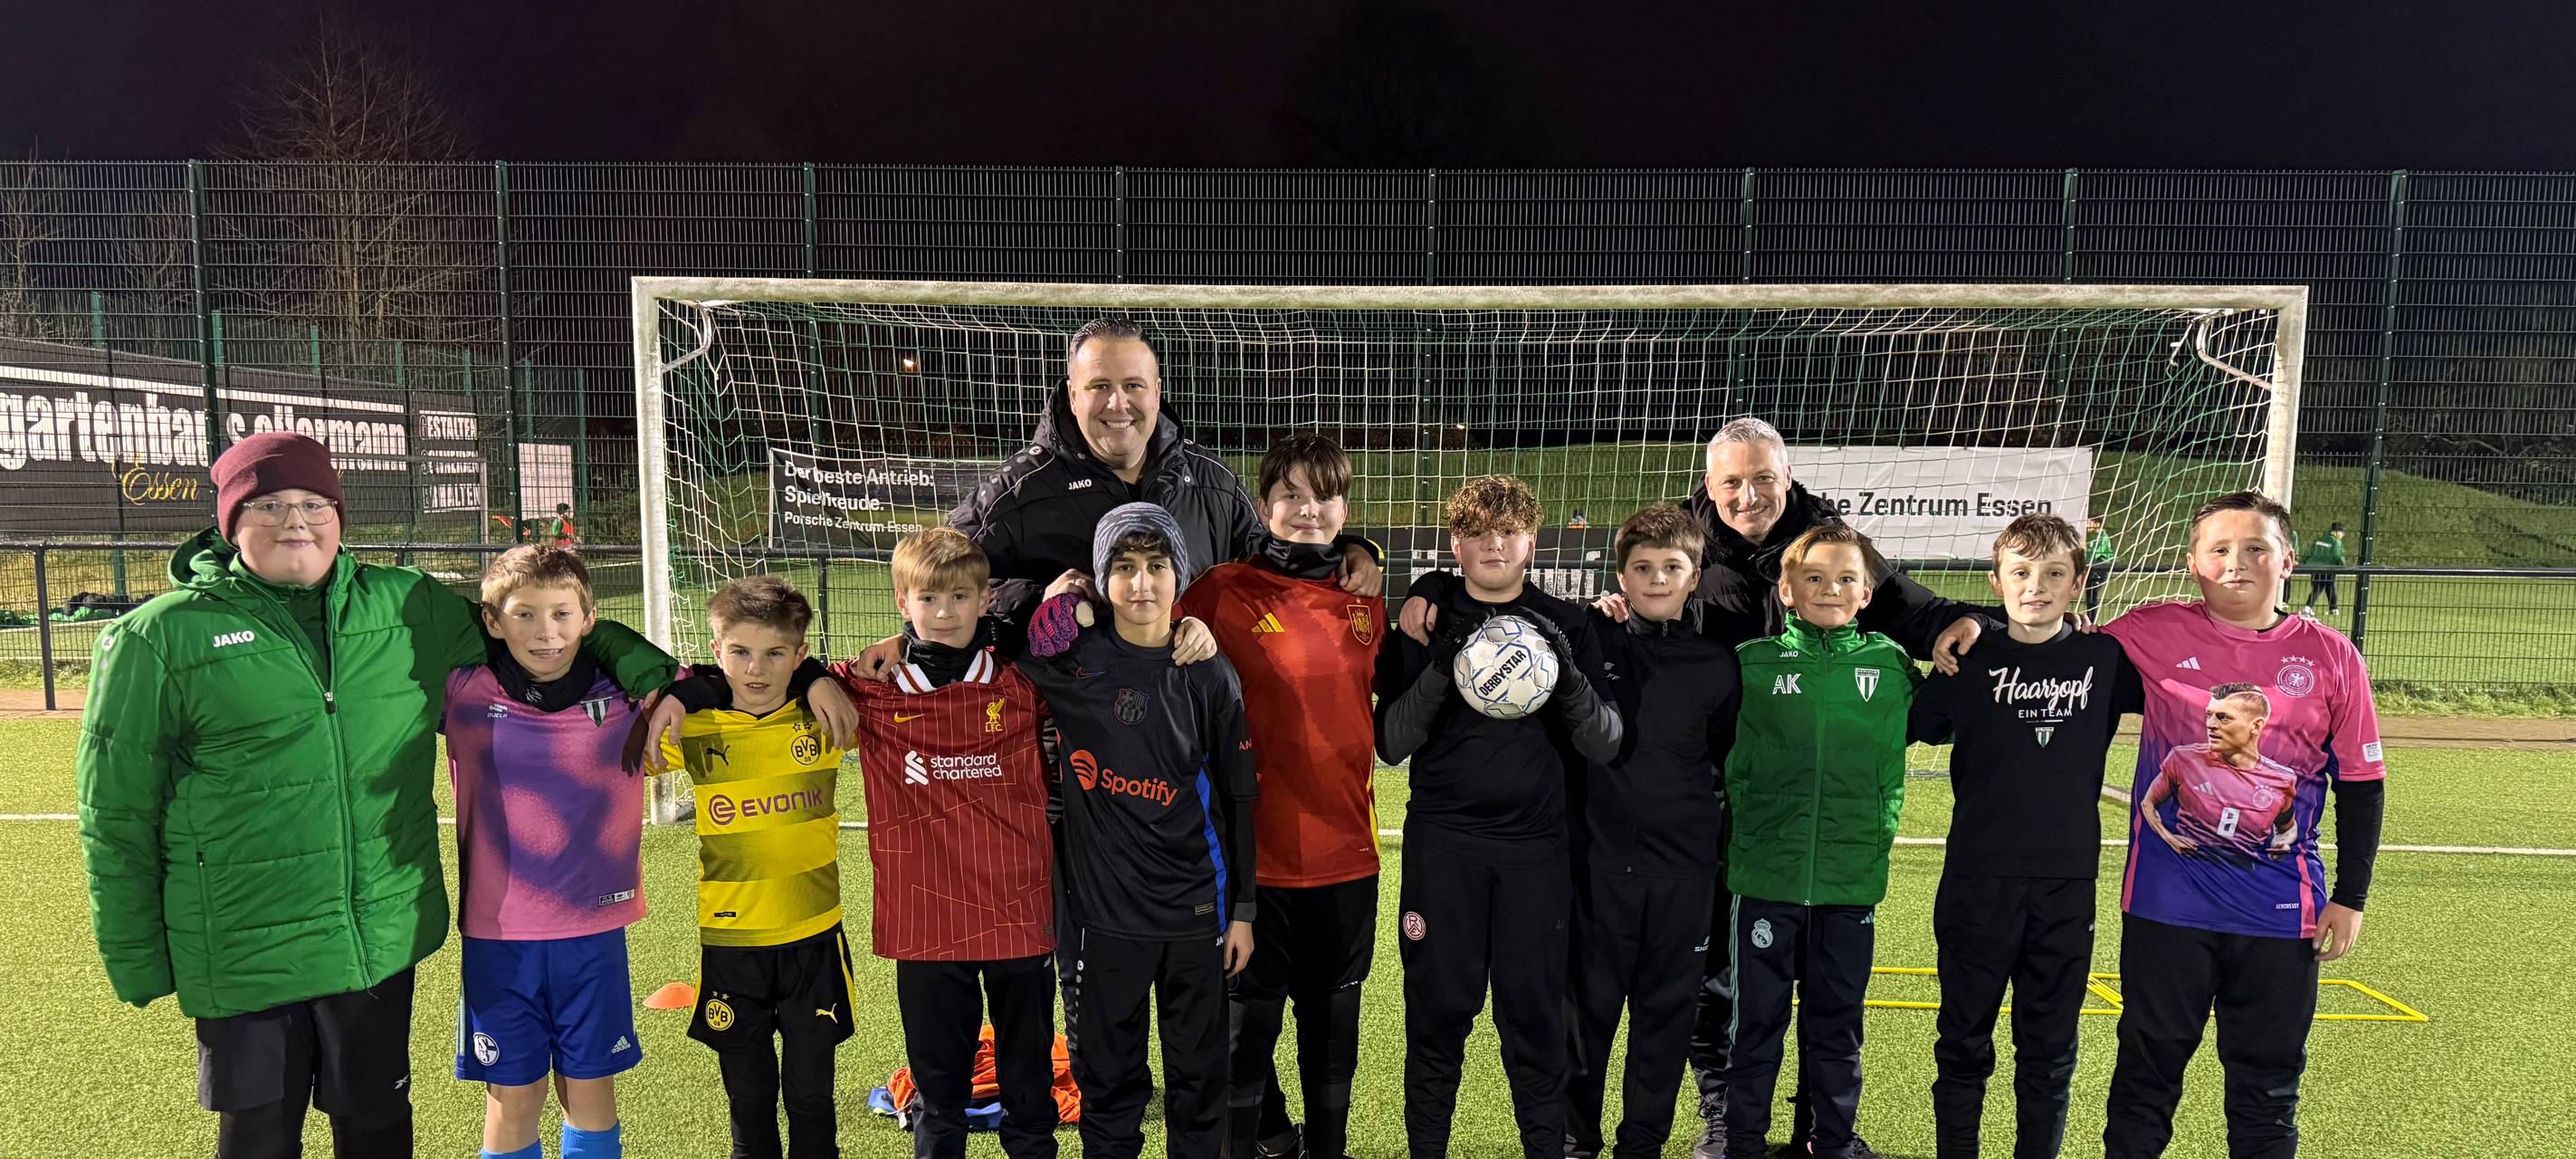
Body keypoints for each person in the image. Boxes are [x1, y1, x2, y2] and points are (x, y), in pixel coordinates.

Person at [75, 431, 675, 1159]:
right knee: (260, 1132)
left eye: (313, 502)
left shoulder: (407, 606)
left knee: (378, 1128)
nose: (295, 519)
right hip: (240, 946)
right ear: (231, 521)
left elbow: (544, 627)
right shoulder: (158, 637)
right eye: (269, 504)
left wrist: (654, 675)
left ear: (338, 513)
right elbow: (116, 815)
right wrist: (138, 954)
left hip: (377, 936)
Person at [1396, 417, 1982, 1156]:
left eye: (1763, 478)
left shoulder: (1822, 539)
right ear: (1708, 486)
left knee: (1747, 986)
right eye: (1732, 480)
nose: (1749, 494)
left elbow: (1895, 596)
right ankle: (1640, 1122)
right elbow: (1509, 602)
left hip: (1746, 811)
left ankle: (1794, 1125)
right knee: (1636, 995)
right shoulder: (1656, 566)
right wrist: (1432, 584)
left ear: (1787, 477)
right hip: (1625, 834)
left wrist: (1963, 625)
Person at [1933, 491, 2388, 1158]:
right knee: (2146, 1080)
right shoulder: (2146, 633)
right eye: (2220, 550)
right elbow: (2040, 633)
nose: (2237, 563)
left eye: (2256, 548)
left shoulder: (2333, 656)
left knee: (2266, 1091)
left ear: (2288, 560)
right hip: (2165, 907)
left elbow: (2362, 781)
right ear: (2193, 563)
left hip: (2281, 912)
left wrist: (2351, 896)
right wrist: (1963, 625)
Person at [1374, 475, 1623, 1159]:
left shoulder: (1566, 623)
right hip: (1444, 852)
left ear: (1531, 541)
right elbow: (1391, 743)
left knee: (1535, 1027)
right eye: (1478, 534)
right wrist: (1442, 668)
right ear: (1455, 543)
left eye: (1508, 533)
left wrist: (1565, 676)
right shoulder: (1425, 618)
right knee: (1436, 1023)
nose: (1494, 545)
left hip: (1535, 857)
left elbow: (1605, 741)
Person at [1016, 503, 1259, 1159]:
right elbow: (1017, 641)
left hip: (1195, 917)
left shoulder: (1207, 669)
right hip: (1106, 920)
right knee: (1111, 1085)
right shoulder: (1073, 662)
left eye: (1157, 566)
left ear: (1178, 576)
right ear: (1104, 578)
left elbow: (1239, 794)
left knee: (1198, 1083)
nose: (1142, 583)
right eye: (1123, 568)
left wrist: (1242, 910)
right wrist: (1068, 601)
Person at [1175, 435, 1386, 1159]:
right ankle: (1263, 1143)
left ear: (1345, 508)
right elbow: (1143, 636)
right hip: (1248, 862)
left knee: (1332, 1042)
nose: (1307, 510)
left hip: (1346, 858)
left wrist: (1366, 556)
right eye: (1290, 495)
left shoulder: (1368, 602)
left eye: (1324, 495)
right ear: (1263, 506)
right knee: (1242, 1038)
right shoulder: (1219, 592)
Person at [1909, 513, 2143, 1159]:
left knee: (2048, 1050)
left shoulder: (2106, 660)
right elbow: (1907, 725)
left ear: (2078, 584)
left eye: (2053, 574)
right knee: (1962, 1041)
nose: (2034, 587)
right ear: (1997, 581)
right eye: (2020, 573)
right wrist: (1969, 626)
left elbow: (2186, 684)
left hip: (2066, 886)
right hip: (1976, 881)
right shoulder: (1967, 657)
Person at [444, 544, 651, 1159]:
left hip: (593, 930)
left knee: (591, 1089)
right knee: (514, 1095)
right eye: (524, 614)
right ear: (491, 620)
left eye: (562, 613)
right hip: (499, 934)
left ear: (589, 619)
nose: (546, 632)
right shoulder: (462, 692)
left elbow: (724, 679)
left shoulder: (627, 690)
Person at [1722, 523, 1917, 1159]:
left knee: (1836, 1028)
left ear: (1866, 592)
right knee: (1757, 1028)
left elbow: (1970, 690)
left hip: (1849, 878)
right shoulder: (1751, 665)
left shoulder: (1891, 669)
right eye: (1814, 578)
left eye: (1845, 579)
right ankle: (1744, 1144)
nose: (1829, 589)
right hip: (1766, 879)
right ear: (1786, 589)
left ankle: (1833, 1143)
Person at [1562, 504, 1741, 1159]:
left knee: (1664, 1024)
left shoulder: (1719, 666)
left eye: (1673, 567)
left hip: (1685, 875)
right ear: (1621, 575)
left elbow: (1724, 760)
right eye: (1642, 567)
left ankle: (1642, 1144)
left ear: (1695, 577)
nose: (1657, 579)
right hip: (1599, 869)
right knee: (1586, 1020)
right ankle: (1575, 1143)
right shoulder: (1592, 637)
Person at [657, 576, 855, 1159]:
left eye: (775, 654)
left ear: (798, 655)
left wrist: (820, 677)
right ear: (717, 652)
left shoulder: (825, 717)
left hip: (812, 938)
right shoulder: (692, 727)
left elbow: (889, 670)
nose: (757, 669)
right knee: (748, 1098)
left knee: (812, 1096)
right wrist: (689, 690)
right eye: (739, 652)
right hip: (732, 939)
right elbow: (624, 720)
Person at [2137, 685, 2300, 862]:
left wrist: (2282, 842)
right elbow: (2148, 803)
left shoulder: (2281, 779)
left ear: (2256, 726)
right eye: (2209, 715)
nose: (2211, 725)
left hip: (2244, 877)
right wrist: (2169, 837)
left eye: (2223, 718)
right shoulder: (2184, 760)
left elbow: (2287, 828)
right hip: (2189, 872)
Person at [2297, 522, 2347, 616]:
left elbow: (2310, 552)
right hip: (2328, 568)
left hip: (2314, 567)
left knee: (2329, 586)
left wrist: (2302, 562)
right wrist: (2343, 565)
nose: (2342, 536)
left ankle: (2334, 608)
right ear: (2338, 532)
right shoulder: (2336, 542)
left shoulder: (2319, 539)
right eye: (2342, 533)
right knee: (2319, 587)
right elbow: (2337, 555)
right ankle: (2308, 607)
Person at [2085, 517, 2115, 617]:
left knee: (2093, 596)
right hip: (2092, 568)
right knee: (2089, 596)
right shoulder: (2092, 536)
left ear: (2097, 524)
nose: (2087, 524)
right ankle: (2090, 619)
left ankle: (2092, 620)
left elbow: (2095, 553)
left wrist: (2084, 562)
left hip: (2100, 569)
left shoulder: (2103, 537)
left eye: (2090, 522)